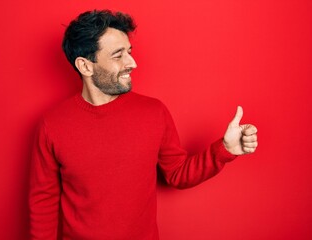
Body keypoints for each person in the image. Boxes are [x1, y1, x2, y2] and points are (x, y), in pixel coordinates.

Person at [29, 10, 258, 240]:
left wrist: (224, 150)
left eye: (129, 52)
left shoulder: (153, 112)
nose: (133, 63)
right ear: (85, 66)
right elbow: (43, 202)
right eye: (118, 55)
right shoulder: (53, 124)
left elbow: (177, 173)